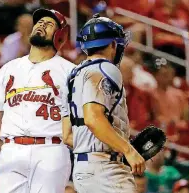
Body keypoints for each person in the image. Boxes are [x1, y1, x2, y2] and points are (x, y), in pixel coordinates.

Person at [0, 8, 75, 193]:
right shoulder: (9, 68)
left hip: (51, 149)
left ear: (60, 36)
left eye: (49, 24)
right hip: (12, 149)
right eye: (39, 22)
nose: (41, 25)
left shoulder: (71, 71)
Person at [62, 14, 145, 193]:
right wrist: (127, 150)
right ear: (114, 44)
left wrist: (117, 146)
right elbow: (93, 118)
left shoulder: (72, 76)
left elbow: (67, 135)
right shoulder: (105, 68)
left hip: (83, 169)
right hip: (106, 171)